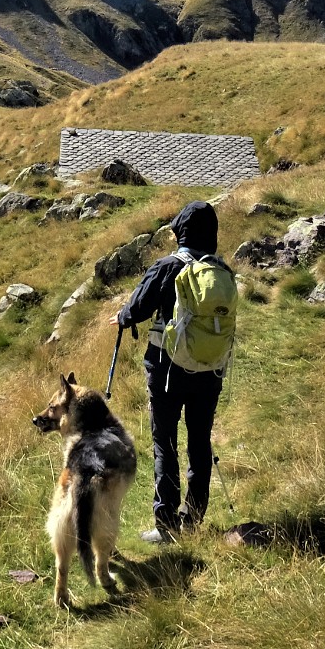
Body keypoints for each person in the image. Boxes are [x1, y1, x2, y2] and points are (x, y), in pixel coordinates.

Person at [110, 200, 227, 543]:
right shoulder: (220, 272)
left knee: (165, 443)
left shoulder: (167, 267)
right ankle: (194, 519)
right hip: (210, 369)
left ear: (181, 233)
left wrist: (121, 317)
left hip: (166, 369)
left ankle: (167, 524)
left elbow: (136, 309)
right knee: (200, 441)